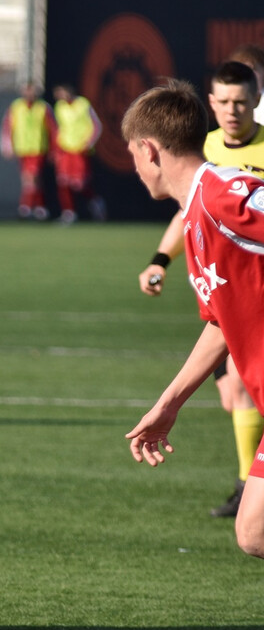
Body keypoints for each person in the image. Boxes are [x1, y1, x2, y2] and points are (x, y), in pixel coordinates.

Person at [124, 77, 264, 568]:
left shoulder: (225, 195)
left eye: (134, 155)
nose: (136, 168)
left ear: (150, 149)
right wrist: (168, 405)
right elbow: (221, 325)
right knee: (253, 533)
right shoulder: (197, 218)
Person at [51, 84, 106, 224]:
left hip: (80, 150)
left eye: (62, 93)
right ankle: (69, 213)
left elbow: (97, 125)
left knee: (79, 184)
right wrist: (56, 149)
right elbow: (59, 129)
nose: (60, 96)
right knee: (63, 181)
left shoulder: (83, 104)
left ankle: (95, 203)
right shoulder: (59, 107)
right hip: (65, 150)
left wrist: (89, 143)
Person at [0, 82, 55, 220]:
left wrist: (54, 150)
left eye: (32, 91)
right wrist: (7, 146)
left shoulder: (43, 107)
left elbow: (53, 130)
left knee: (31, 177)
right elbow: (7, 128)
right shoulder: (16, 107)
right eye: (27, 91)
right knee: (33, 180)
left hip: (37, 148)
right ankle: (40, 208)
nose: (29, 94)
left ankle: (25, 207)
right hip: (22, 148)